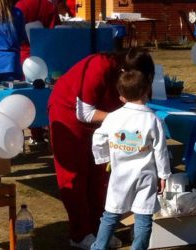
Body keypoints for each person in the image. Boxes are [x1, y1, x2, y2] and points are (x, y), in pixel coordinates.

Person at [48, 48, 155, 249]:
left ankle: (99, 230)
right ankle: (80, 234)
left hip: (104, 120)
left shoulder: (138, 77)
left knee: (101, 175)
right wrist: (123, 119)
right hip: (69, 114)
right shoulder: (99, 65)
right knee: (75, 175)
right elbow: (84, 112)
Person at [90, 69, 171, 250]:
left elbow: (98, 136)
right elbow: (161, 151)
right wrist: (164, 174)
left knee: (111, 214)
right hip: (145, 176)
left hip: (120, 174)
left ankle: (99, 247)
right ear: (146, 90)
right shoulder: (153, 119)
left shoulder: (113, 117)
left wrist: (104, 157)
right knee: (143, 217)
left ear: (121, 97)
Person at [15, 0, 61, 146]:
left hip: (24, 55)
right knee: (45, 92)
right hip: (44, 55)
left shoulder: (19, 7)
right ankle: (44, 133)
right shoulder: (49, 6)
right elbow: (55, 31)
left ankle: (28, 135)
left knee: (25, 94)